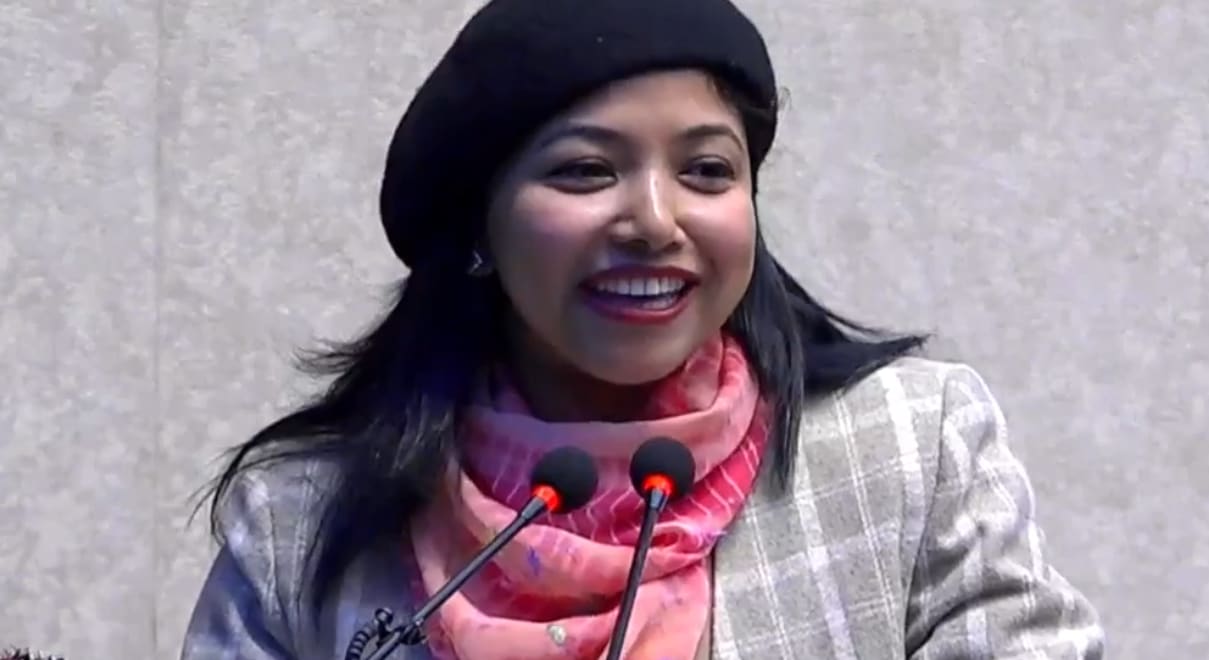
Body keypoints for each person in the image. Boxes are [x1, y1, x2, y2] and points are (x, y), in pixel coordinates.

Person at [181, 1, 1104, 658]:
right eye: (586, 171)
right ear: (478, 226)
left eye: (706, 171)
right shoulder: (297, 522)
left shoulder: (908, 450)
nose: (655, 222)